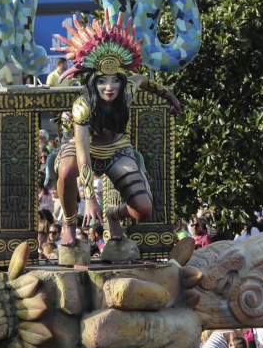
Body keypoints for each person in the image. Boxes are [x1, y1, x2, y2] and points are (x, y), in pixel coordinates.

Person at [54, 17, 181, 248]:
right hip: (85, 148)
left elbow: (143, 80)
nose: (109, 87)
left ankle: (114, 214)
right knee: (66, 171)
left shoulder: (126, 92)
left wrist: (169, 96)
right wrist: (90, 199)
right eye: (102, 81)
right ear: (93, 82)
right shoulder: (82, 105)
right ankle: (69, 224)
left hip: (116, 149)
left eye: (115, 81)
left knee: (144, 209)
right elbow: (83, 153)